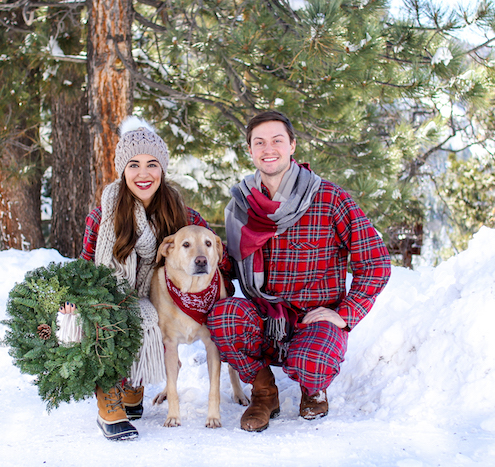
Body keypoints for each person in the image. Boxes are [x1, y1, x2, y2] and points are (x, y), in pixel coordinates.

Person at [207, 110, 391, 432]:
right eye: (259, 142)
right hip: (263, 315)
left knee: (312, 361)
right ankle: (264, 394)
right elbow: (230, 266)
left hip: (313, 317)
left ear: (292, 145)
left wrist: (345, 313)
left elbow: (376, 263)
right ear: (250, 150)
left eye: (277, 140)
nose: (269, 149)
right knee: (222, 315)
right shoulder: (241, 204)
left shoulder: (330, 198)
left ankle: (312, 388)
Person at [72, 117, 232, 441]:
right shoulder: (104, 214)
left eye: (152, 164)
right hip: (114, 295)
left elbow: (209, 248)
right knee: (107, 308)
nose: (143, 174)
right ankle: (110, 397)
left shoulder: (178, 211)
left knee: (149, 311)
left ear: (162, 168)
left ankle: (135, 383)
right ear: (122, 169)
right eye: (134, 165)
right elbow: (87, 267)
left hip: (154, 297)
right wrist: (73, 303)